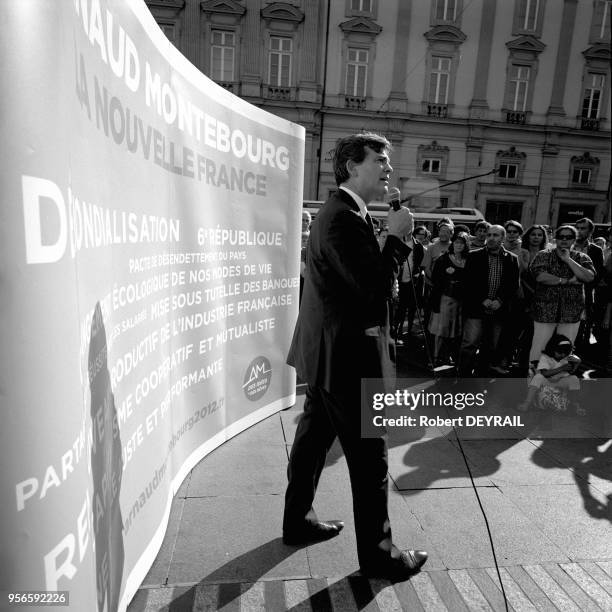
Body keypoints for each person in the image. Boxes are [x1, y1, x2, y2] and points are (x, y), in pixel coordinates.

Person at [283, 133, 428, 579]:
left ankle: (298, 521)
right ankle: (381, 555)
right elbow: (370, 293)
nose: (388, 169)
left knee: (310, 444)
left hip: (328, 354)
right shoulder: (344, 218)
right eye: (380, 161)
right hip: (345, 359)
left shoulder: (345, 214)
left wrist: (389, 238)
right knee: (370, 460)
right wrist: (398, 240)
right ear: (351, 167)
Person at [528, 225, 595, 372]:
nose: (564, 240)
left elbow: (589, 277)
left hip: (571, 312)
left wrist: (568, 260)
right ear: (555, 238)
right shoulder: (543, 255)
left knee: (565, 350)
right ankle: (534, 382)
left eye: (568, 237)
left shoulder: (582, 257)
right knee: (539, 348)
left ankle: (557, 385)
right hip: (544, 311)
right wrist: (566, 281)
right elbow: (540, 276)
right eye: (561, 236)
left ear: (574, 239)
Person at [458, 225, 520, 376]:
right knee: (470, 344)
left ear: (503, 238)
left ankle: (481, 375)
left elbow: (513, 285)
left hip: (498, 310)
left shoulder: (512, 259)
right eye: (489, 234)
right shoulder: (474, 256)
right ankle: (463, 376)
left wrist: (500, 300)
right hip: (476, 308)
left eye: (496, 235)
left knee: (491, 345)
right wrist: (482, 299)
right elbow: (467, 283)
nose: (491, 238)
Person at [428, 231, 469, 366]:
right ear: (453, 243)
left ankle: (447, 356)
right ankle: (435, 357)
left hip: (460, 301)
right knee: (441, 330)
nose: (459, 245)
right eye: (456, 242)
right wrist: (448, 278)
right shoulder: (443, 259)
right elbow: (435, 278)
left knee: (454, 332)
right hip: (445, 299)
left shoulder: (468, 260)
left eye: (462, 243)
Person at [517, 334, 582, 414]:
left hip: (559, 383)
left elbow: (570, 372)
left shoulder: (565, 358)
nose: (562, 355)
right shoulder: (545, 357)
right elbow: (545, 373)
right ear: (552, 349)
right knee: (538, 377)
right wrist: (561, 368)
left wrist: (577, 364)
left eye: (565, 353)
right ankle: (527, 403)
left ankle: (575, 405)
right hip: (546, 382)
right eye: (559, 352)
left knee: (574, 379)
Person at [392, 209, 426, 344]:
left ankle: (409, 331)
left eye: (410, 225)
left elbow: (419, 264)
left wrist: (417, 275)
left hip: (412, 282)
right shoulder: (397, 242)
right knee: (399, 309)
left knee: (411, 308)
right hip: (399, 281)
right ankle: (396, 332)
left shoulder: (418, 246)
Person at [573, 217, 605, 352]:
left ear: (590, 231)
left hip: (585, 295)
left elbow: (596, 275)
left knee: (581, 329)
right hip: (563, 292)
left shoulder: (596, 250)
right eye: (577, 228)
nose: (579, 231)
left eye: (583, 228)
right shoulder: (567, 245)